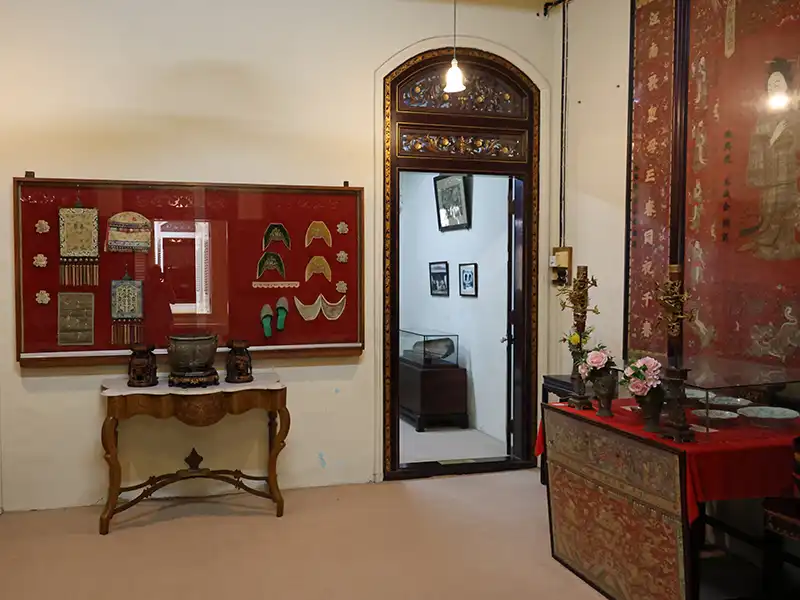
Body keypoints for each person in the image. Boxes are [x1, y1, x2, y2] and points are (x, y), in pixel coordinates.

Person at [739, 58, 800, 260]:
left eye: (778, 82)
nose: (774, 86)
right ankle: (766, 243)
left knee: (788, 209)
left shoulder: (795, 114)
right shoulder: (763, 116)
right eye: (771, 83)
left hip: (788, 171)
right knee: (771, 209)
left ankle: (786, 244)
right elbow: (757, 143)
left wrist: (788, 138)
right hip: (770, 174)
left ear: (786, 85)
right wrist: (773, 137)